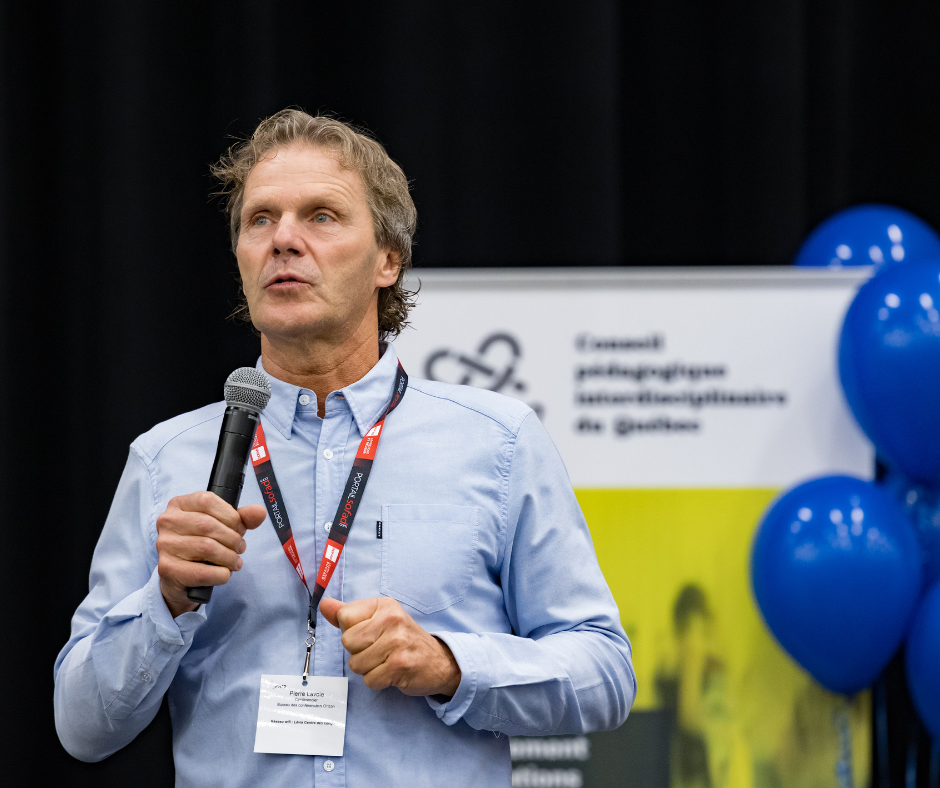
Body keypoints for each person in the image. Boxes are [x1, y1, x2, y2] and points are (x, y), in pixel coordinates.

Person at [53, 109, 635, 787]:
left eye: (321, 216)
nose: (283, 239)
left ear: (388, 259)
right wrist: (166, 602)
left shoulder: (497, 442)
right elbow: (81, 728)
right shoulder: (166, 461)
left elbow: (604, 672)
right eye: (260, 220)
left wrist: (452, 665)